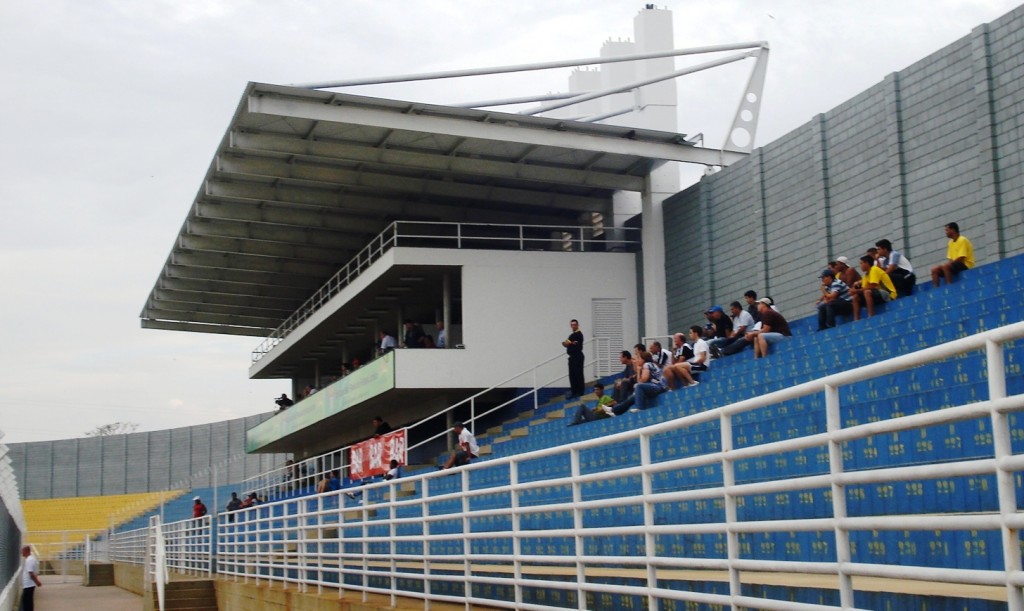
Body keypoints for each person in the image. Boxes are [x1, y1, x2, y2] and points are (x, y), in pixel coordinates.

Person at [851, 255, 897, 320]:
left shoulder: (874, 269)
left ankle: (871, 315)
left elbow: (873, 286)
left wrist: (856, 291)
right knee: (855, 297)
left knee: (867, 292)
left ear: (867, 263)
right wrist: (854, 291)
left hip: (888, 294)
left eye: (861, 263)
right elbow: (863, 289)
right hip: (877, 295)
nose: (860, 266)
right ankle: (856, 320)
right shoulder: (866, 275)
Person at [931, 222, 974, 286]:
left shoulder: (962, 240)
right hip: (955, 264)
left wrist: (948, 265)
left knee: (945, 266)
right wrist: (947, 265)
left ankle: (949, 286)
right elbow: (950, 259)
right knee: (934, 269)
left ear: (953, 230)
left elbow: (961, 257)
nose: (946, 232)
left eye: (947, 230)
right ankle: (937, 289)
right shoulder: (950, 243)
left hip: (965, 264)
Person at [562, 319, 585, 397]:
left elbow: (566, 343)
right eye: (572, 325)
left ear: (578, 325)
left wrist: (569, 343)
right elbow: (564, 344)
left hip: (577, 356)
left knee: (578, 373)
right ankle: (574, 391)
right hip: (572, 357)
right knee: (572, 375)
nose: (573, 326)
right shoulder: (572, 335)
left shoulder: (578, 334)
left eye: (575, 324)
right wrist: (571, 343)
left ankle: (580, 391)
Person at [21, 546, 41, 611]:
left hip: (29, 584)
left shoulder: (29, 560)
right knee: (28, 601)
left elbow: (31, 573)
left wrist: (37, 582)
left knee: (26, 602)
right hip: (29, 584)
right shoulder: (30, 559)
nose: (21, 552)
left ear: (26, 551)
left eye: (22, 551)